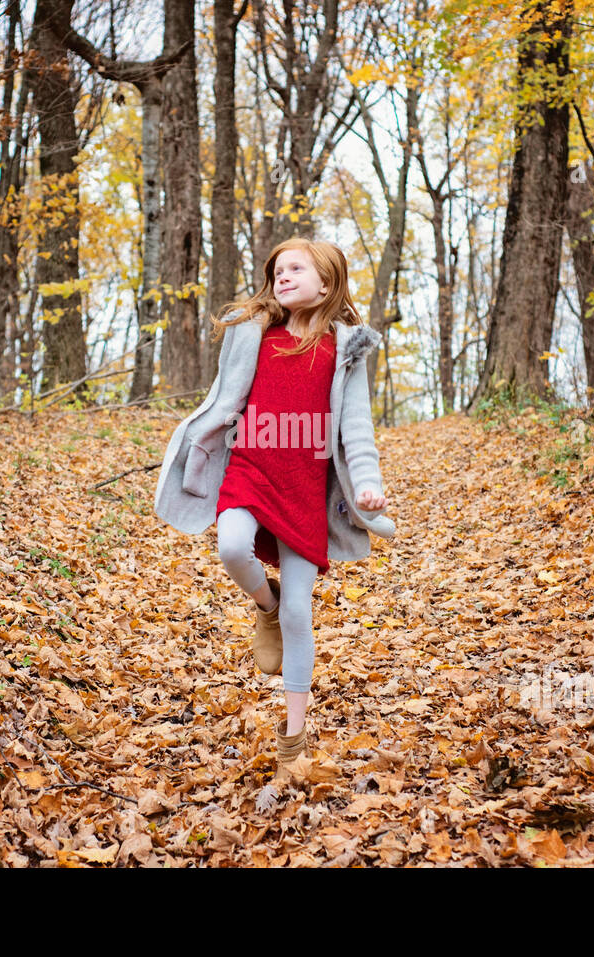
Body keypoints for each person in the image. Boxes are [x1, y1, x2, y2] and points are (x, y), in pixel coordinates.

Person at [153, 237, 395, 767]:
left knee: (298, 613)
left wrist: (367, 484)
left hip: (304, 489)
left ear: (326, 283)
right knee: (232, 547)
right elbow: (225, 397)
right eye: (277, 270)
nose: (281, 277)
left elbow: (356, 427)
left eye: (295, 269)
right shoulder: (255, 336)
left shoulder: (343, 349)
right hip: (251, 468)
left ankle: (293, 740)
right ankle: (263, 605)